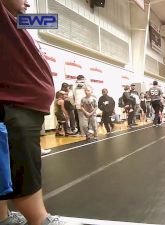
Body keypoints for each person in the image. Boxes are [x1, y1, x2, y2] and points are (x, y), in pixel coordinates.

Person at [0, 0, 69, 224]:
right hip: (13, 107)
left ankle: (3, 218)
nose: (28, 2)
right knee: (24, 167)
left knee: (5, 166)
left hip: (22, 108)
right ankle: (39, 220)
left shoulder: (16, 23)